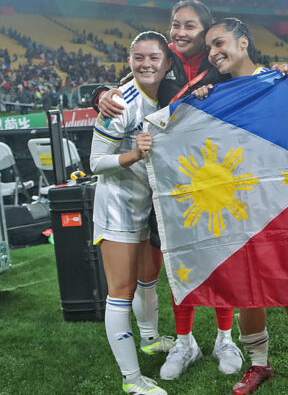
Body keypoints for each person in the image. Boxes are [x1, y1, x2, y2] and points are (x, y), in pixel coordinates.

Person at [92, 0, 242, 382]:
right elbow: (126, 87)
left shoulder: (221, 64)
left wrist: (285, 70)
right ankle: (184, 340)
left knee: (220, 261)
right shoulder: (163, 64)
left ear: (206, 31)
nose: (180, 32)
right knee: (179, 263)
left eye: (190, 26)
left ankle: (226, 338)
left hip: (216, 180)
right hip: (171, 188)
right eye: (176, 24)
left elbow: (256, 79)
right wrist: (99, 94)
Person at [191, 17, 288, 395]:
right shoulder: (212, 94)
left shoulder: (282, 81)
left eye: (220, 44)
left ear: (244, 42)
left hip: (284, 202)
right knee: (247, 291)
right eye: (210, 49)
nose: (215, 54)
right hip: (238, 206)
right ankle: (259, 366)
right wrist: (198, 102)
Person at [90, 31, 174, 395]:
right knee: (121, 291)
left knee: (148, 279)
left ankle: (150, 339)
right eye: (138, 58)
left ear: (166, 62)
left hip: (149, 208)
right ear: (129, 62)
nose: (146, 64)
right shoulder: (120, 103)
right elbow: (95, 162)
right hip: (118, 209)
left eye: (153, 57)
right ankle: (132, 378)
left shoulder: (168, 95)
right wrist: (133, 155)